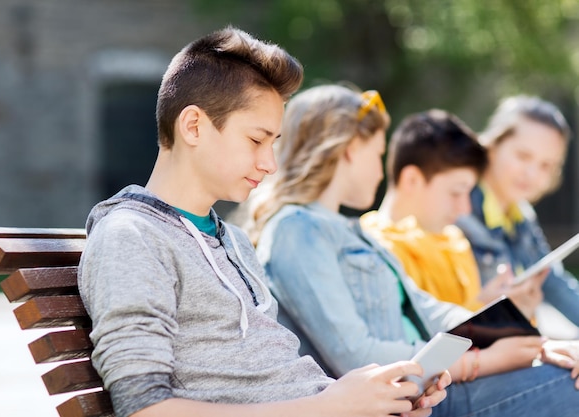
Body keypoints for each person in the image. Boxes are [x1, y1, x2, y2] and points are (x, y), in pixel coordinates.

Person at [77, 27, 449, 417]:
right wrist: (332, 406)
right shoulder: (132, 236)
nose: (269, 164)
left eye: (273, 144)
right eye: (257, 140)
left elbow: (275, 381)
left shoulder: (233, 241)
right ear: (193, 127)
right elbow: (144, 408)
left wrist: (374, 402)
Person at [248, 83, 579, 417]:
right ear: (349, 149)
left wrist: (526, 341)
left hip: (427, 390)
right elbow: (353, 352)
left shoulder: (353, 232)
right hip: (407, 396)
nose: (381, 171)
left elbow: (431, 310)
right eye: (377, 154)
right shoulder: (297, 230)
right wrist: (477, 361)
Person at [360, 109, 544, 319]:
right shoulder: (371, 250)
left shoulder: (455, 242)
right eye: (456, 192)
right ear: (412, 180)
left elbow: (471, 332)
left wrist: (503, 311)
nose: (465, 209)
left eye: (469, 193)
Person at [455, 95, 579, 330]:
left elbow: (552, 282)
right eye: (523, 156)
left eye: (546, 165)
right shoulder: (457, 210)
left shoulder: (521, 214)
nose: (532, 174)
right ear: (492, 145)